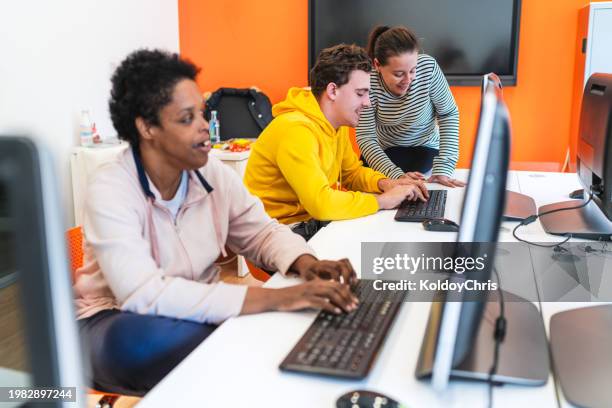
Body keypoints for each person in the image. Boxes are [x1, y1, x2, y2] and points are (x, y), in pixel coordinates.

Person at [73, 49, 359, 395]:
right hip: (114, 321)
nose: (203, 126)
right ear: (146, 127)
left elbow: (261, 233)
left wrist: (308, 263)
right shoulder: (112, 187)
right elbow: (144, 295)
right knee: (169, 340)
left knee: (257, 330)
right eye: (185, 118)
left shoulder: (210, 173)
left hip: (195, 311)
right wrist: (277, 299)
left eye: (202, 114)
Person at [244, 44, 428, 240]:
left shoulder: (335, 125)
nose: (368, 102)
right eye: (360, 93)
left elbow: (352, 173)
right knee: (372, 249)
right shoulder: (295, 129)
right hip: (276, 233)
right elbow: (321, 203)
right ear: (332, 90)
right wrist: (382, 201)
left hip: (309, 222)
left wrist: (386, 184)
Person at [356, 25, 466, 188]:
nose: (408, 79)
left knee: (403, 181)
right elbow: (366, 137)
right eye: (398, 74)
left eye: (413, 70)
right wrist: (396, 175)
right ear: (377, 65)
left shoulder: (428, 69)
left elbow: (448, 113)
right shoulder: (368, 81)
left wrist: (443, 168)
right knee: (364, 177)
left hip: (424, 147)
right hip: (386, 149)